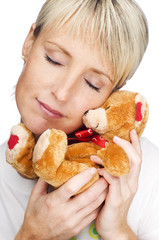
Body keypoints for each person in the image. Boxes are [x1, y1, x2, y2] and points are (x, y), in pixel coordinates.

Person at [0, 0, 159, 239]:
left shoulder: (146, 172)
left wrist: (118, 230)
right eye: (54, 60)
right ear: (29, 42)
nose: (62, 93)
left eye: (92, 83)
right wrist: (32, 235)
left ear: (114, 91)